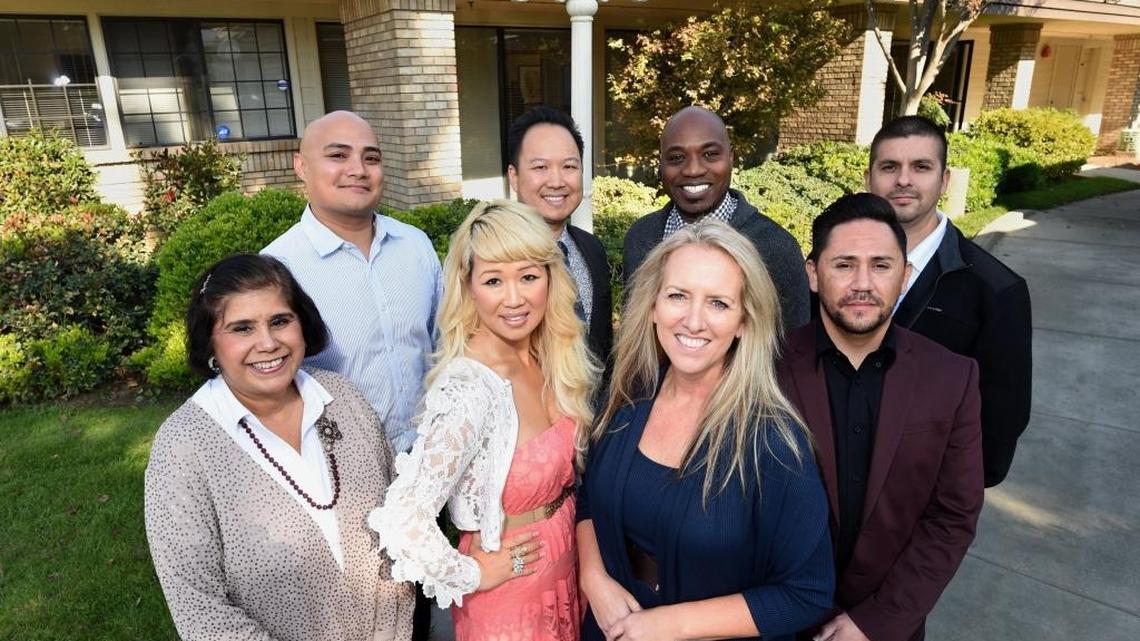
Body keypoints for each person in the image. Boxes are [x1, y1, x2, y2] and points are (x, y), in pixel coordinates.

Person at [578, 219, 834, 641]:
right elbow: (587, 496)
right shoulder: (629, 397)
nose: (693, 321)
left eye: (718, 303)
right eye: (678, 296)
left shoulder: (774, 444)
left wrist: (667, 626)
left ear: (744, 322)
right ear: (654, 306)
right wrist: (593, 578)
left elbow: (806, 593)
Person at [144, 254, 413, 641]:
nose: (267, 343)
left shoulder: (344, 398)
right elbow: (200, 610)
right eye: (242, 329)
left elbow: (400, 525)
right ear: (210, 342)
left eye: (280, 321)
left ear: (302, 323)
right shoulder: (183, 448)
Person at [368, 200, 599, 641]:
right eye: (494, 280)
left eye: (528, 276)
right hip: (512, 594)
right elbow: (402, 520)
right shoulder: (468, 389)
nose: (514, 299)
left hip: (565, 565)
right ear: (469, 287)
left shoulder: (547, 355)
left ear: (551, 278)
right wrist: (470, 573)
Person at [778, 193, 984, 641]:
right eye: (844, 264)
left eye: (882, 265)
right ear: (813, 274)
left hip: (890, 625)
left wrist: (876, 622)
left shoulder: (952, 377)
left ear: (905, 276)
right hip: (777, 619)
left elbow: (953, 515)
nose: (863, 283)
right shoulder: (763, 369)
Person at [263, 110, 442, 456]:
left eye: (370, 158)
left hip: (430, 458)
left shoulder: (415, 245)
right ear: (301, 166)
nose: (358, 169)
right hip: (341, 468)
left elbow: (442, 344)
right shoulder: (278, 268)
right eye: (338, 155)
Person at [865, 115, 1031, 487]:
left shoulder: (995, 291)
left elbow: (999, 426)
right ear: (868, 179)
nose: (903, 180)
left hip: (917, 500)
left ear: (944, 180)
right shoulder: (834, 269)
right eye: (889, 166)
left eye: (921, 167)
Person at [622, 106, 810, 332]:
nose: (693, 170)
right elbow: (632, 335)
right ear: (661, 164)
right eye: (677, 157)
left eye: (710, 154)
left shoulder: (776, 248)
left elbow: (796, 353)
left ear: (731, 158)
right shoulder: (641, 237)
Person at [507, 105, 613, 361]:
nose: (556, 181)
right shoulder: (490, 259)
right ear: (514, 176)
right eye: (541, 167)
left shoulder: (591, 249)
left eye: (569, 167)